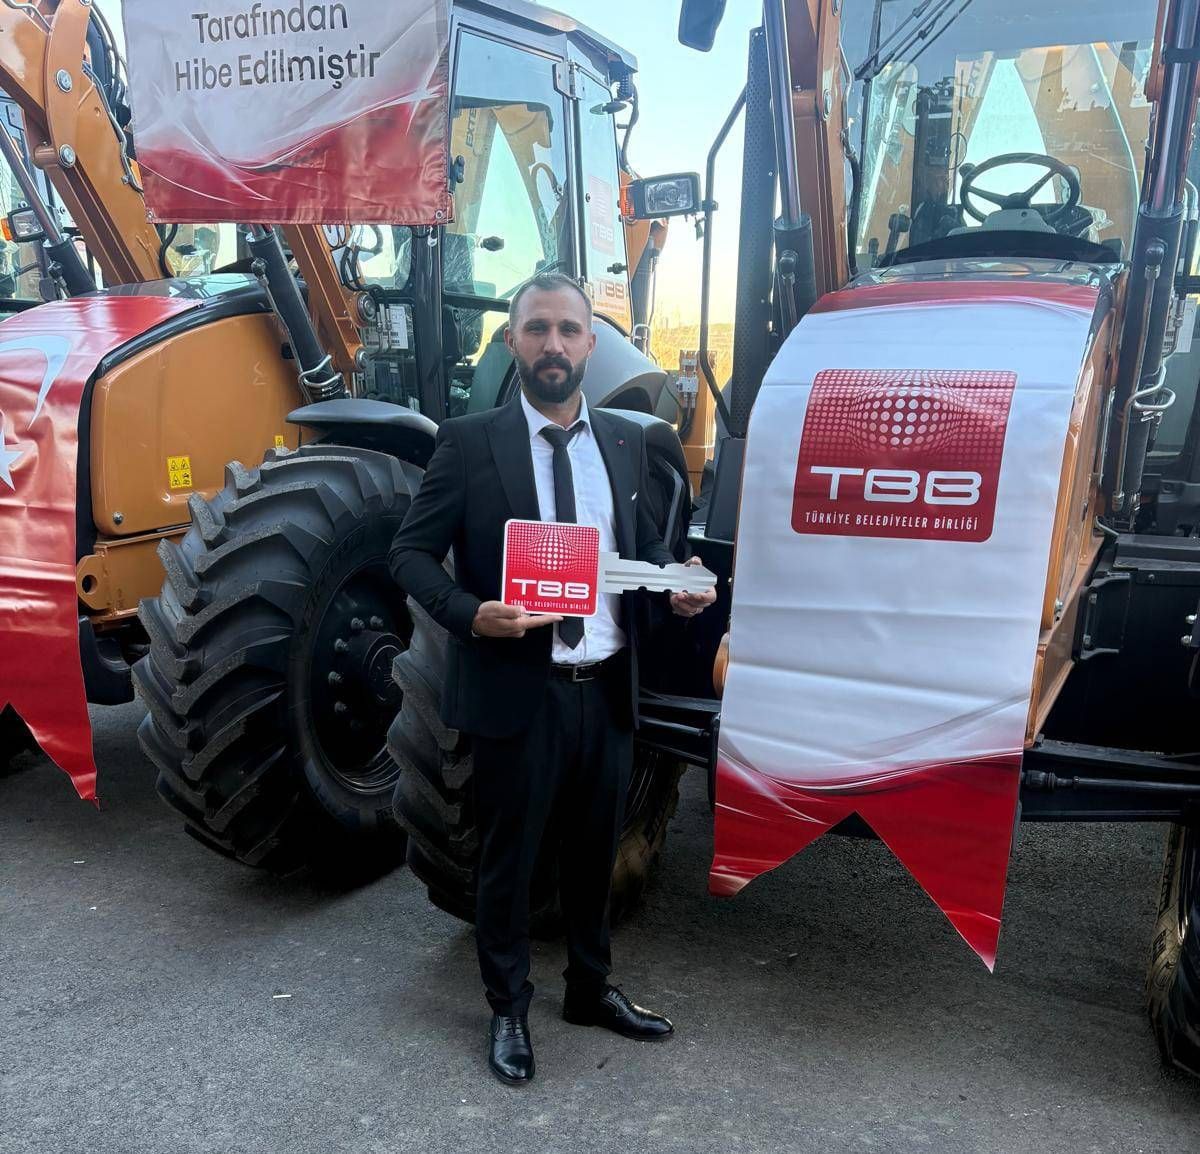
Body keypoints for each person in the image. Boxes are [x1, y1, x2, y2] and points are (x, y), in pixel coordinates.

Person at [388, 272, 715, 1086]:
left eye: (568, 330)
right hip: (518, 694)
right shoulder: (469, 442)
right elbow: (409, 554)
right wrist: (470, 614)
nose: (553, 345)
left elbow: (643, 549)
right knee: (509, 860)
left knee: (595, 853)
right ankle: (508, 1007)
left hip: (605, 688)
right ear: (512, 342)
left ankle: (590, 988)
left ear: (591, 344)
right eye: (536, 329)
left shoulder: (627, 443)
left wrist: (676, 580)